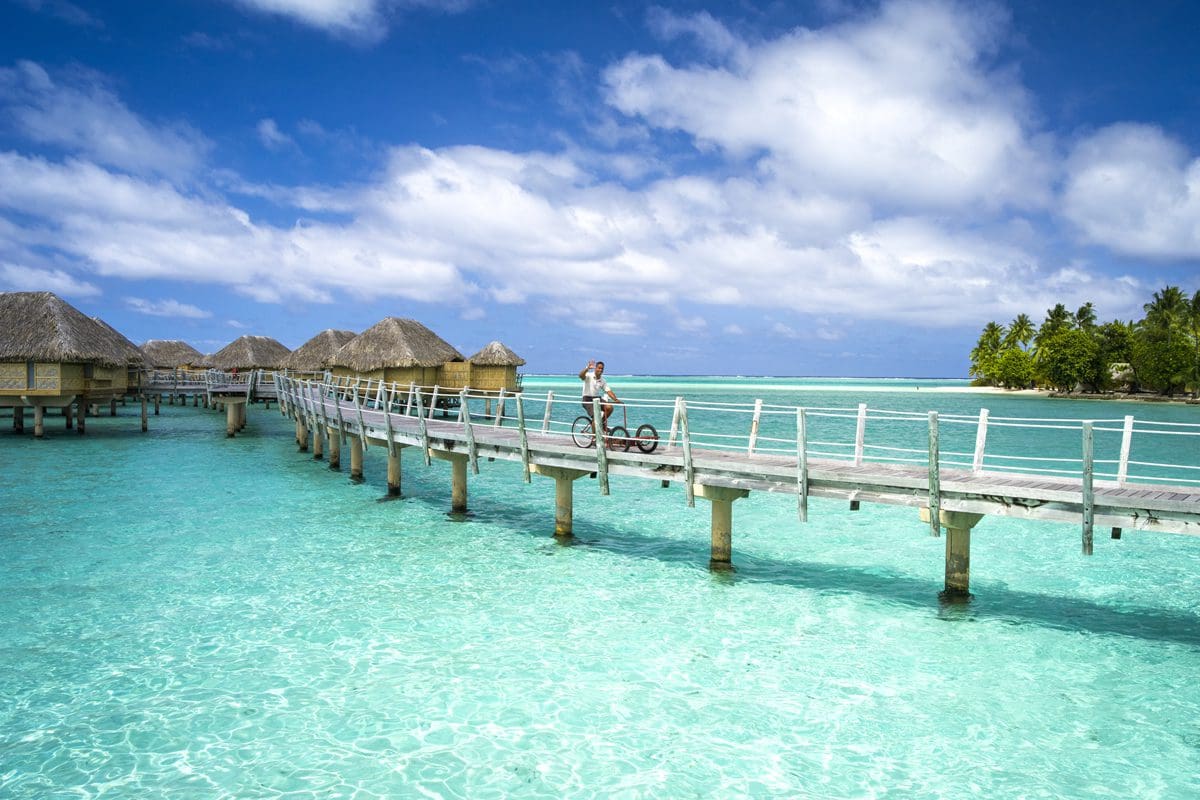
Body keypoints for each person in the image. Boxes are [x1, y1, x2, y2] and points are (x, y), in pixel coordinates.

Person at [579, 359, 619, 430]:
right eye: (599, 368)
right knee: (596, 416)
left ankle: (602, 423)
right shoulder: (589, 375)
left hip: (597, 398)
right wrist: (587, 368)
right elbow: (580, 376)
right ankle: (594, 438)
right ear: (595, 368)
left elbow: (608, 390)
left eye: (602, 368)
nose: (600, 370)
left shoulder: (602, 380)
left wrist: (615, 399)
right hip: (587, 399)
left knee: (610, 408)